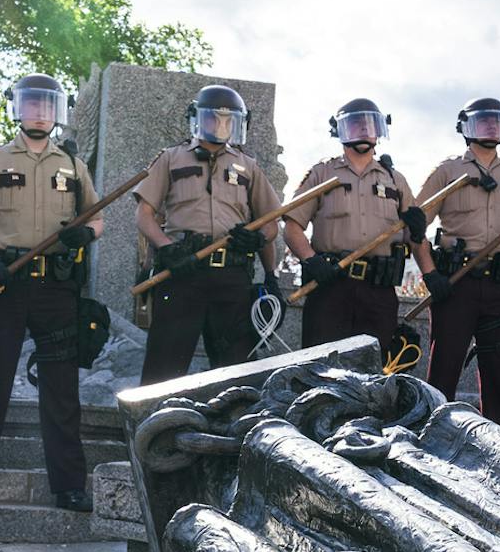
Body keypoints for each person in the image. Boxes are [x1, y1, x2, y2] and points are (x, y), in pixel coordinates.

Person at [0, 74, 99, 511]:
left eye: (48, 105)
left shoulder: (73, 166)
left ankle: (69, 485)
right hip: (5, 281)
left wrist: (86, 235)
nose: (40, 112)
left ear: (57, 112)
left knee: (61, 390)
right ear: (18, 108)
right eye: (32, 104)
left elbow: (97, 219)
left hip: (56, 287)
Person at [136, 84, 282, 383]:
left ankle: (235, 428)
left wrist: (261, 247)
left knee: (237, 372)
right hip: (182, 272)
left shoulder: (248, 166)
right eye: (214, 118)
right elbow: (144, 215)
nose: (221, 126)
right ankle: (151, 427)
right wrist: (165, 248)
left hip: (232, 279)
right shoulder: (171, 158)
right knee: (163, 370)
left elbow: (271, 221)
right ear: (198, 119)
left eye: (228, 120)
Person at [415, 97, 500, 421]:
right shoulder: (448, 171)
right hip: (456, 285)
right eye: (483, 122)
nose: (491, 128)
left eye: (496, 122)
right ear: (466, 127)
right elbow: (414, 227)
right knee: (443, 376)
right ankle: (431, 445)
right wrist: (430, 275)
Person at [281, 98, 420, 350]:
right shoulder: (322, 173)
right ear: (340, 130)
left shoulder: (394, 180)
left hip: (378, 289)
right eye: (356, 125)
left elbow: (413, 234)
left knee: (375, 373)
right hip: (331, 285)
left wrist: (418, 231)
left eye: (370, 125)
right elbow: (291, 226)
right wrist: (311, 260)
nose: (365, 130)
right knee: (320, 366)